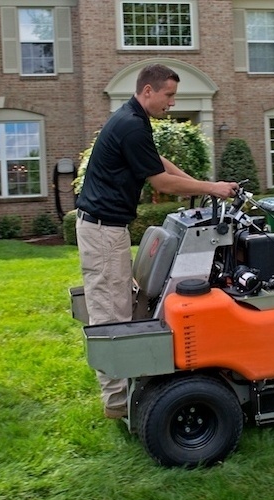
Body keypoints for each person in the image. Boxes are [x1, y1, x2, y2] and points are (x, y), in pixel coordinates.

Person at [75, 63, 238, 419]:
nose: (172, 103)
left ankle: (131, 386)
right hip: (103, 231)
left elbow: (157, 162)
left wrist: (199, 183)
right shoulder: (131, 124)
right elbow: (160, 183)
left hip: (108, 229)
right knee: (110, 313)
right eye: (169, 95)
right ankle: (118, 404)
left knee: (126, 302)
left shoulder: (133, 119)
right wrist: (212, 188)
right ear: (148, 91)